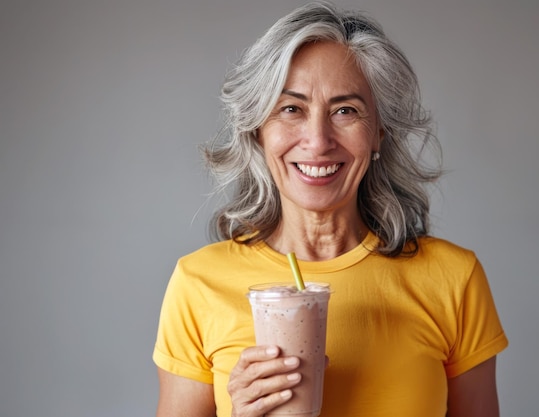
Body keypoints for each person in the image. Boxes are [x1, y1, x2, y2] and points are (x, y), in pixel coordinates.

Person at [153, 2, 508, 416]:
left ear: (379, 132)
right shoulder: (198, 283)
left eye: (345, 111)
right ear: (258, 130)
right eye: (291, 109)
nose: (318, 141)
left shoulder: (454, 279)